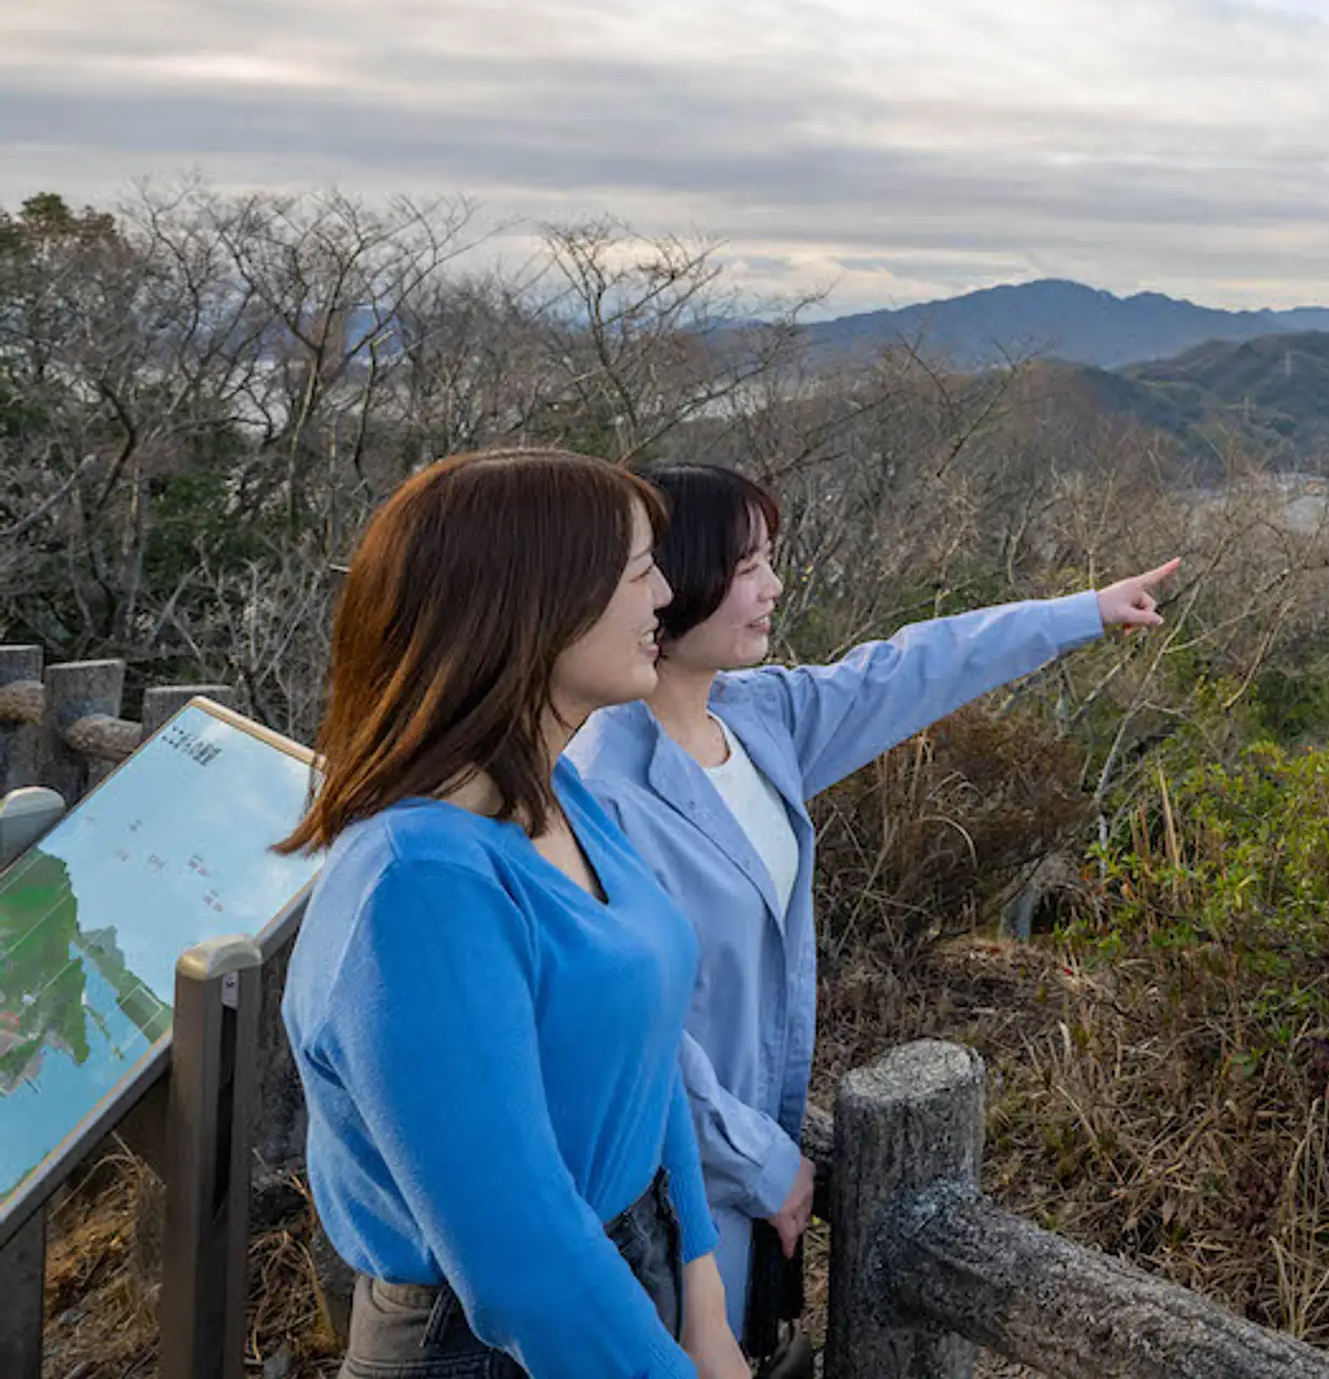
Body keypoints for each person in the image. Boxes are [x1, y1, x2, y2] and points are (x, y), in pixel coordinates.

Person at [572, 464, 1176, 1351]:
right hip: (664, 1187)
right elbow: (622, 1026)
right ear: (670, 581)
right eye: (748, 567)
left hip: (747, 1171)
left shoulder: (758, 718)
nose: (773, 587)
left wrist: (1080, 612)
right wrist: (759, 1160)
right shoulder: (601, 784)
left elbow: (911, 669)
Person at [279, 448, 744, 1379]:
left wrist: (703, 1302)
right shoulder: (419, 887)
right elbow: (521, 1260)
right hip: (491, 1349)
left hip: (624, 1281)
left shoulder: (562, 796)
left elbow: (647, 1063)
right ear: (533, 603)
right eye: (638, 572)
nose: (663, 599)